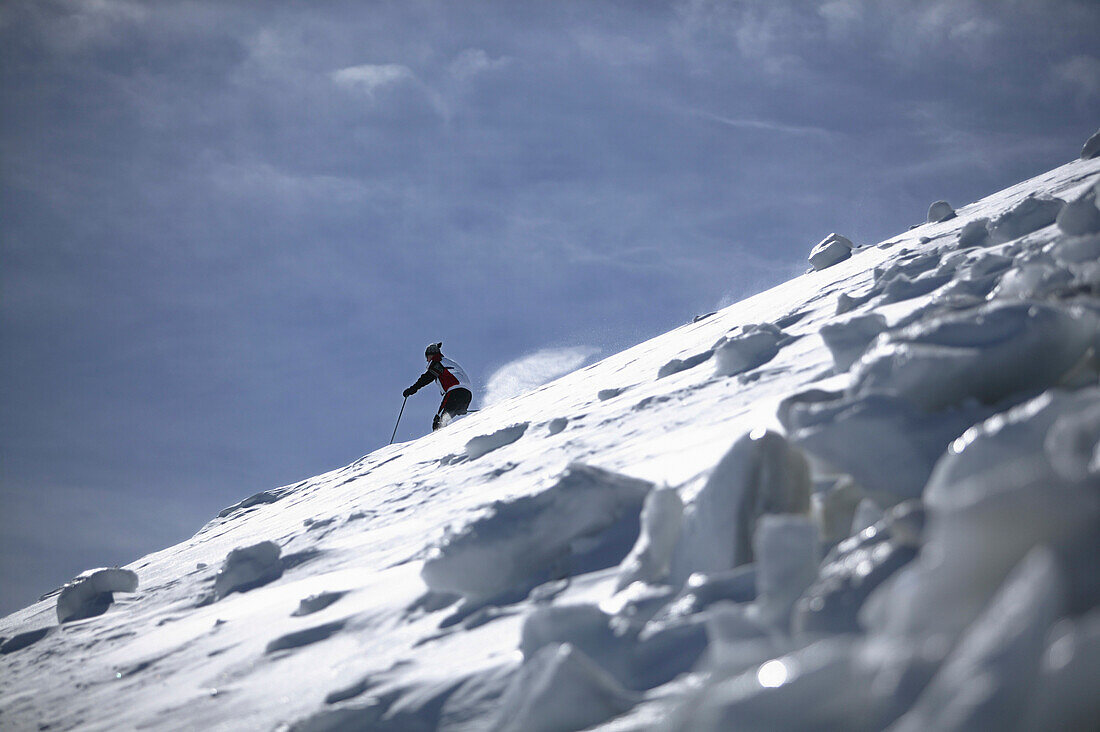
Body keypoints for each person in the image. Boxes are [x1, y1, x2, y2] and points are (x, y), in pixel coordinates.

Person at [403, 342, 473, 430]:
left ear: (431, 355)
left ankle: (440, 442)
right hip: (467, 395)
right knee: (445, 419)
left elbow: (427, 377)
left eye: (427, 357)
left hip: (455, 392)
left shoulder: (438, 362)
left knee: (439, 421)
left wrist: (412, 389)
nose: (427, 360)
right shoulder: (447, 362)